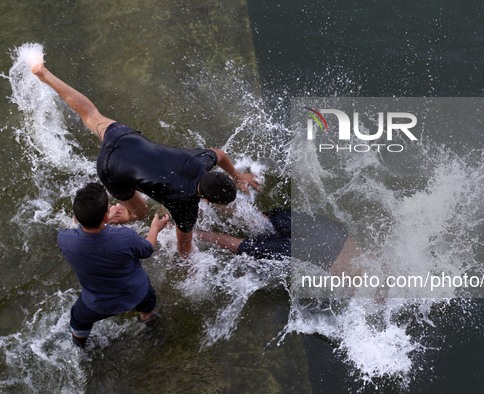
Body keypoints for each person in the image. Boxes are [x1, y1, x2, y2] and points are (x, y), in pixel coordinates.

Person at [31, 62, 259, 257]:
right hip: (111, 168)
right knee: (139, 214)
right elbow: (184, 246)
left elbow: (219, 153)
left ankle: (44, 74)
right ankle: (109, 215)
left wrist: (238, 176)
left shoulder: (200, 161)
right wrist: (189, 267)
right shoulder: (185, 205)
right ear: (206, 199)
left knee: (90, 114)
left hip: (124, 138)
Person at [58, 182, 170, 347]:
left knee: (78, 320)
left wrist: (104, 221)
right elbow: (147, 250)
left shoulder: (64, 239)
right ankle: (151, 330)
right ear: (104, 216)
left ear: (76, 217)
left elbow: (90, 239)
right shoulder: (125, 237)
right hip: (136, 294)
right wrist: (155, 228)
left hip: (96, 304)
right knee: (148, 306)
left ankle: (80, 347)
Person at [195, 209, 361, 275]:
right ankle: (189, 233)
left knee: (261, 221)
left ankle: (205, 196)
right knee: (246, 248)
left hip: (336, 234)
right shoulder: (379, 293)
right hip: (322, 255)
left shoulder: (386, 263)